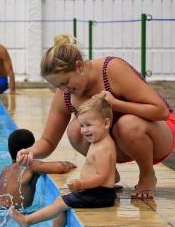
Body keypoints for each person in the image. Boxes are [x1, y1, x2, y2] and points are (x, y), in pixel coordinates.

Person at [16, 34, 175, 199]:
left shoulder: (111, 69)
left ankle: (147, 175)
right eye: (58, 86)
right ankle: (108, 173)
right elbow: (48, 141)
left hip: (159, 135)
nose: (63, 90)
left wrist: (116, 104)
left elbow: (161, 111)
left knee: (127, 124)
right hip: (120, 145)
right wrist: (30, 152)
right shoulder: (65, 95)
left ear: (79, 66)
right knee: (76, 129)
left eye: (65, 82)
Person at [10, 96, 117, 227]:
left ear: (106, 123)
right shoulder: (99, 142)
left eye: (88, 125)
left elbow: (102, 176)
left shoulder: (103, 148)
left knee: (61, 202)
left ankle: (28, 221)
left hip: (100, 195)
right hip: (95, 191)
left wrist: (81, 184)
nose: (84, 130)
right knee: (62, 200)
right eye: (82, 125)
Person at [0, 129, 76, 215]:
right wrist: (68, 164)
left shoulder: (5, 169)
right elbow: (60, 167)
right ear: (31, 149)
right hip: (10, 212)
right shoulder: (30, 166)